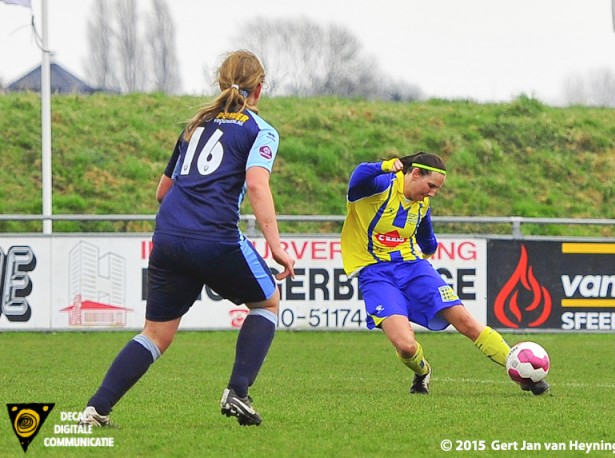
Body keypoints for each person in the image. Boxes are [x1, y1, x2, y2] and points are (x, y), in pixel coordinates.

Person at [79, 50, 295, 427]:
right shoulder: (261, 130)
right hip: (215, 237)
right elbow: (257, 186)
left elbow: (163, 191)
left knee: (156, 334)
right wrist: (276, 245)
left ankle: (96, 409)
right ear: (259, 88)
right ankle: (238, 392)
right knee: (267, 303)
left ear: (219, 83)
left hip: (168, 235)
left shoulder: (195, 125)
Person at [340, 152, 549, 396]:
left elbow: (426, 236)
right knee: (406, 346)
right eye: (430, 186)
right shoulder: (381, 186)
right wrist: (384, 166)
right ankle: (422, 372)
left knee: (466, 321)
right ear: (415, 173)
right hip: (375, 273)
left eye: (437, 189)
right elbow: (357, 177)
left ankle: (523, 375)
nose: (432, 193)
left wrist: (429, 248)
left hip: (413, 268)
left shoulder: (421, 204)